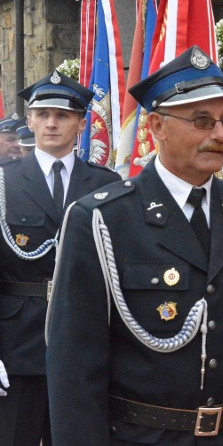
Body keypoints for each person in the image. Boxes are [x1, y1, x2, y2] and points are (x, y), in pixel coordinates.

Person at [45, 46, 223, 445]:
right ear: (157, 125)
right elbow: (74, 371)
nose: (220, 134)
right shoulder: (102, 220)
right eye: (202, 120)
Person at [0, 71, 120, 446]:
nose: (52, 123)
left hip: (85, 341)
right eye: (44, 114)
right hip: (16, 343)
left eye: (63, 115)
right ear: (30, 120)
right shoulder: (4, 181)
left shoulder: (106, 184)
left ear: (81, 124)